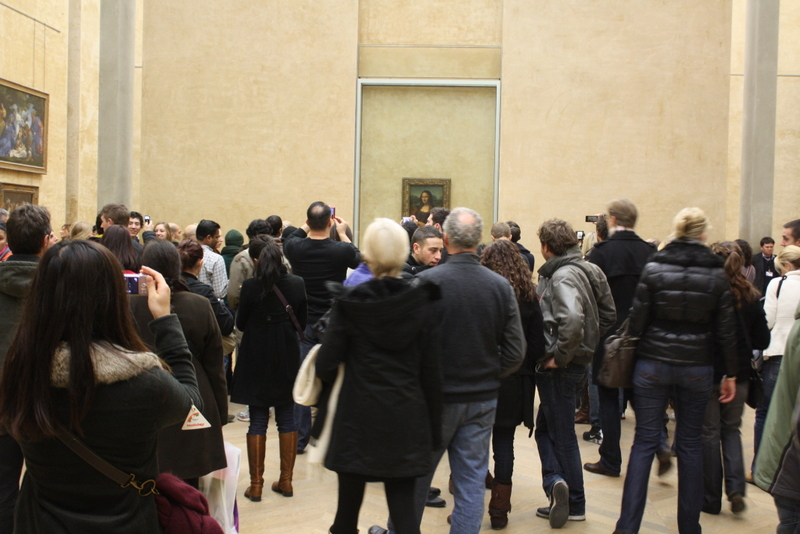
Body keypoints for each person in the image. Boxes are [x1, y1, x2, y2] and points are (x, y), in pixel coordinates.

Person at [0, 239, 202, 534]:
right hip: (128, 522)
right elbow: (191, 404)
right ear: (112, 298)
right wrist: (166, 320)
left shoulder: (20, 374)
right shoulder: (146, 383)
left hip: (40, 522)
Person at [371, 207, 526, 534]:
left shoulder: (426, 282)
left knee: (415, 478)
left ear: (445, 238)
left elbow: (403, 345)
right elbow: (516, 352)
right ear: (479, 240)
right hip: (481, 399)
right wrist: (489, 373)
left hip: (433, 400)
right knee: (471, 483)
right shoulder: (499, 286)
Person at [615, 207, 738, 534]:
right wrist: (730, 374)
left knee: (644, 442)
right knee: (691, 444)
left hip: (652, 363)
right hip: (697, 366)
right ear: (703, 234)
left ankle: (626, 527)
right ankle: (689, 527)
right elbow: (726, 330)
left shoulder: (654, 266)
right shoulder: (716, 272)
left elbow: (637, 321)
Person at [316, 218, 442, 534]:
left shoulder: (349, 303)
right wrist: (434, 431)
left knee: (346, 515)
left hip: (356, 417)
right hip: (406, 416)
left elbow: (325, 365)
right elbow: (432, 374)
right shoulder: (422, 303)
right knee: (404, 515)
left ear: (367, 254)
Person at [534, 218, 615, 529]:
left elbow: (571, 319)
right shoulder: (591, 269)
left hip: (561, 367)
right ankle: (557, 483)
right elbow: (608, 314)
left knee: (562, 434)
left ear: (546, 247)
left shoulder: (562, 276)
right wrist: (587, 343)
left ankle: (575, 501)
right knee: (546, 428)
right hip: (579, 363)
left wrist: (561, 355)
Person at [129, 239, 228, 488]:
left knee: (143, 484)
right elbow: (215, 365)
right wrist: (219, 412)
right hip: (192, 396)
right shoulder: (199, 304)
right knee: (188, 486)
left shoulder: (126, 306)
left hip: (142, 400)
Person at [230, 236, 307, 501]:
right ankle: (286, 481)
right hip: (286, 354)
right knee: (287, 416)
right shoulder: (297, 283)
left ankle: (256, 485)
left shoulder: (251, 286)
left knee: (258, 418)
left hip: (256, 355)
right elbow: (302, 321)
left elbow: (241, 322)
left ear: (257, 261)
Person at [583, 200, 655, 479]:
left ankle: (611, 459)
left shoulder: (601, 253)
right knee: (641, 396)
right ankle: (658, 443)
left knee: (609, 399)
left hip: (609, 336)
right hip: (641, 335)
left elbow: (590, 297)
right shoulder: (649, 252)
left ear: (612, 220)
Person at [283, 202, 360, 454]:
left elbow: (290, 237)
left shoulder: (295, 247)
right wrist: (344, 233)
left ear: (307, 222)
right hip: (332, 321)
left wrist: (306, 225)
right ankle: (334, 437)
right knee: (338, 380)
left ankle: (300, 439)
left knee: (303, 379)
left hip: (303, 322)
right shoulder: (341, 249)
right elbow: (359, 259)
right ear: (330, 222)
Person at [479, 239, 545, 529]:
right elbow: (538, 347)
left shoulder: (484, 293)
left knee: (474, 443)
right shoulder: (529, 297)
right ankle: (499, 509)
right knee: (504, 444)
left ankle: (468, 503)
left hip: (483, 378)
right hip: (516, 381)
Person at [702, 242, 770, 515]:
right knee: (731, 430)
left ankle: (710, 498)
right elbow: (763, 340)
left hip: (709, 373)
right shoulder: (750, 296)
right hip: (740, 374)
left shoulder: (707, 296)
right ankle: (736, 489)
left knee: (709, 433)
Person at [0, 204, 53, 532]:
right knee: (50, 487)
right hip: (48, 400)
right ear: (46, 241)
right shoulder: (60, 286)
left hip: (2, 398)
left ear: (8, 240)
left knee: (3, 485)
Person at [754, 296, 800, 533]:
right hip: (791, 467)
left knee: (764, 412)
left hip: (784, 462)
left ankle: (756, 463)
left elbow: (767, 322)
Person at [754, 245, 800, 468]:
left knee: (766, 412)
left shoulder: (778, 284)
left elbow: (768, 321)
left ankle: (760, 467)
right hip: (796, 352)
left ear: (788, 265)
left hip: (778, 353)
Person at [177, 239, 234, 338]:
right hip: (199, 343)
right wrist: (221, 304)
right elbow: (226, 325)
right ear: (200, 262)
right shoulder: (204, 291)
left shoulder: (168, 286)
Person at [196, 219, 228, 299]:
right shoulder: (216, 258)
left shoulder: (186, 253)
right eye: (217, 237)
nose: (218, 240)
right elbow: (219, 292)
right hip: (210, 303)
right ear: (209, 238)